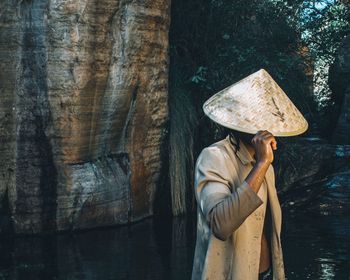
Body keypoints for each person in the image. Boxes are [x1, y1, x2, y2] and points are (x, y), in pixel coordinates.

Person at [191, 69, 308, 280]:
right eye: (255, 119)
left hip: (266, 273)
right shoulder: (214, 157)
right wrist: (262, 163)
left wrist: (264, 163)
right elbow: (221, 225)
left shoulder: (266, 164)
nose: (265, 127)